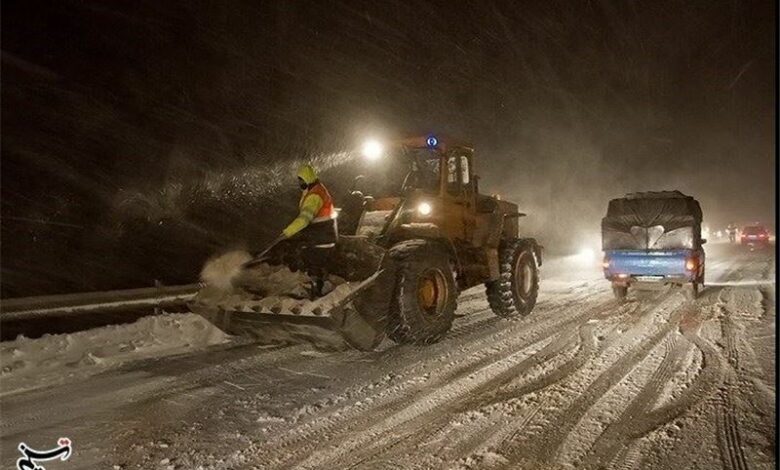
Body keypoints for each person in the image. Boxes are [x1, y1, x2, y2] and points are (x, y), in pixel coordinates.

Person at [276, 164, 338, 297]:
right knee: (312, 258)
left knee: (311, 259)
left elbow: (305, 218)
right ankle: (319, 285)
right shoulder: (315, 189)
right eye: (299, 180)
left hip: (322, 235)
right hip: (322, 233)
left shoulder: (314, 195)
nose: (300, 183)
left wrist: (288, 232)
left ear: (308, 178)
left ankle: (317, 289)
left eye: (302, 180)